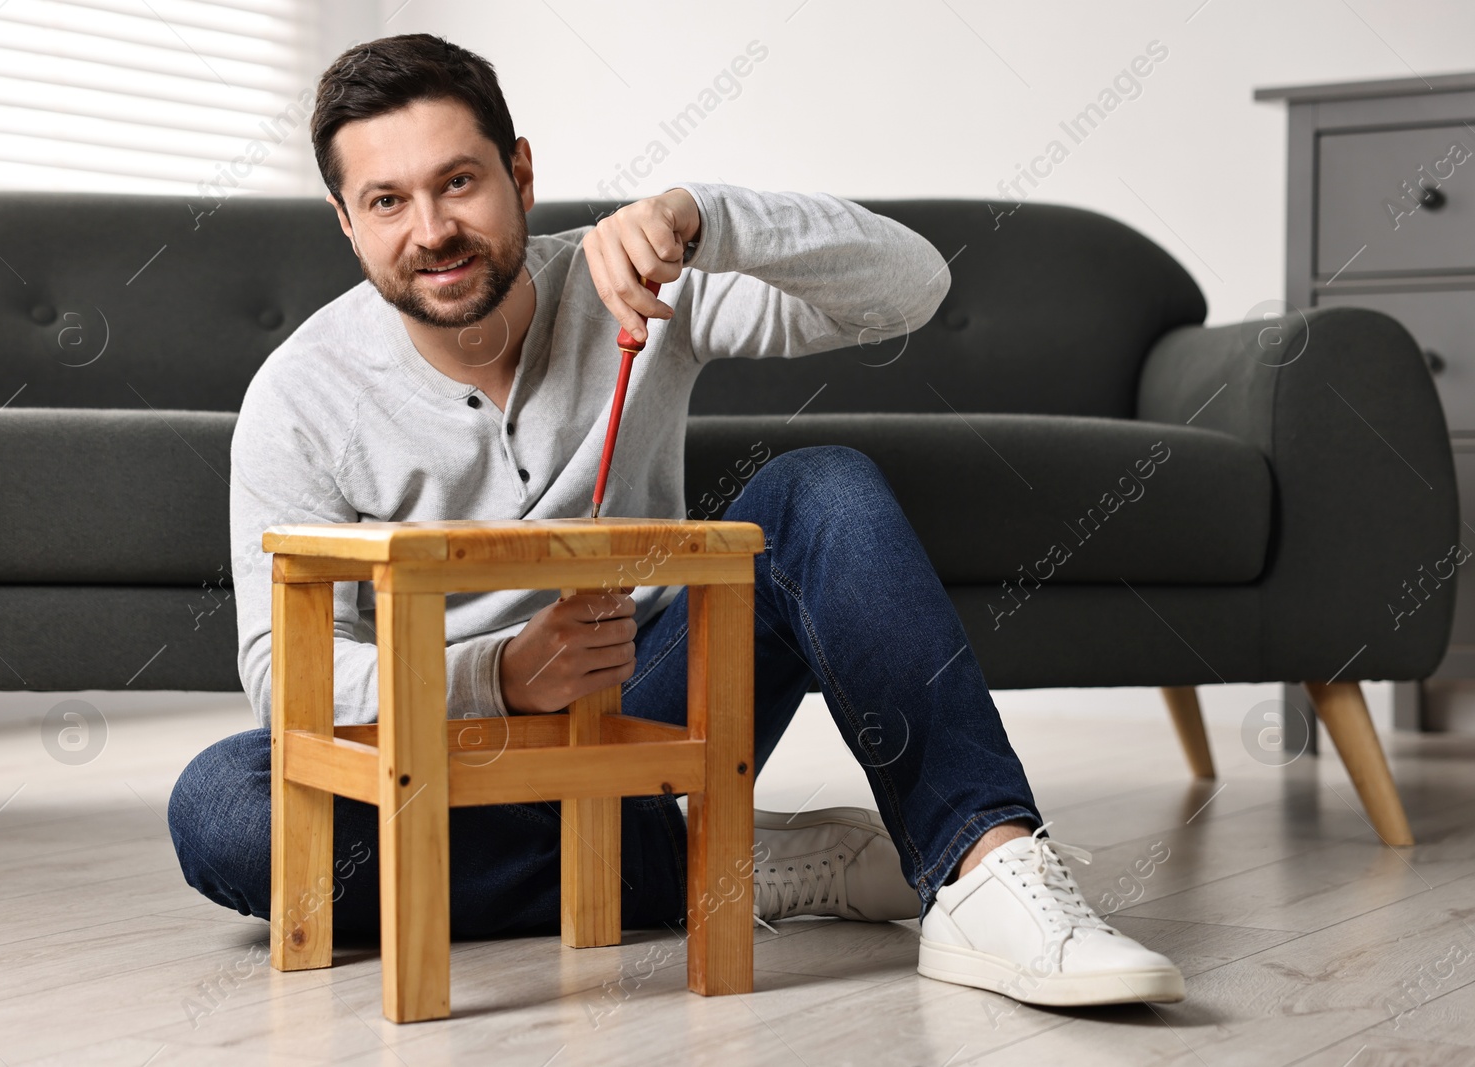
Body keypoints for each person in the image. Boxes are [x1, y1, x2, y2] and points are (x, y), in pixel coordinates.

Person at [167, 32, 1185, 1008]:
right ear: (347, 222)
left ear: (520, 173)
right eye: (386, 200)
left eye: (458, 182)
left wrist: (707, 216)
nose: (430, 229)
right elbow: (283, 676)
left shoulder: (630, 282)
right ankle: (717, 855)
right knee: (226, 808)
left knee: (821, 485)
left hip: (650, 688)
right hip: (450, 744)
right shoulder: (297, 397)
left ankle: (979, 868)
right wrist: (503, 675)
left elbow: (912, 288)